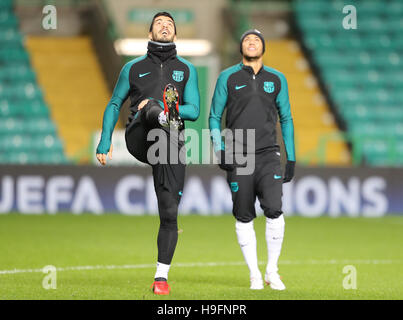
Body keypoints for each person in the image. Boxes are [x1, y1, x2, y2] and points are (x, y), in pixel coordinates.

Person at [96, 12, 200, 295]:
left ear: (175, 35)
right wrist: (105, 139)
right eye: (159, 24)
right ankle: (160, 112)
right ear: (150, 33)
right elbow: (115, 102)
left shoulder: (187, 69)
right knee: (152, 106)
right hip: (140, 135)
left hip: (169, 143)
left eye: (170, 24)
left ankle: (161, 277)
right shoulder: (132, 67)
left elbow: (194, 110)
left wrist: (171, 112)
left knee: (169, 213)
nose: (165, 26)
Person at [209, 29, 295, 290]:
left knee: (274, 209)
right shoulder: (227, 77)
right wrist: (220, 148)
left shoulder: (277, 78)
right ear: (240, 47)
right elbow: (214, 117)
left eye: (257, 39)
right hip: (238, 153)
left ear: (263, 47)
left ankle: (272, 270)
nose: (252, 42)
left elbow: (287, 118)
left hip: (269, 154)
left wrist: (290, 156)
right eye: (246, 39)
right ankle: (254, 274)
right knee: (244, 215)